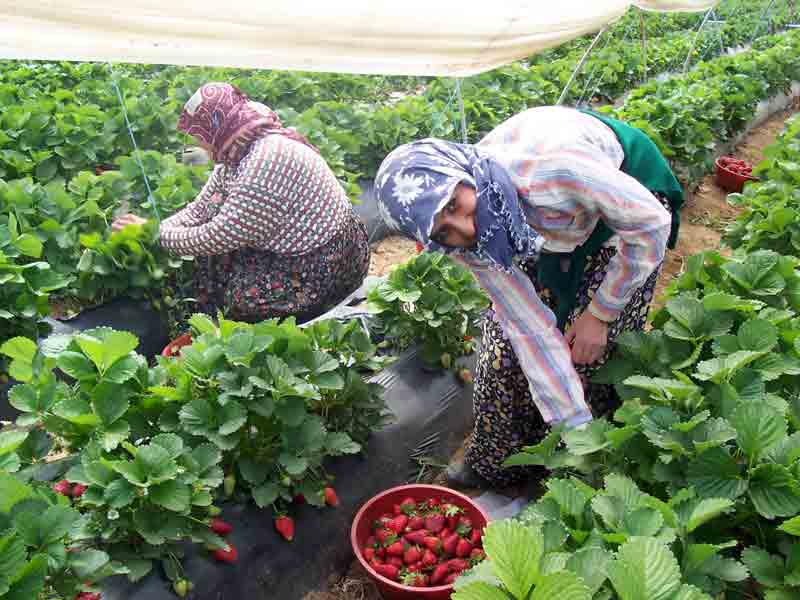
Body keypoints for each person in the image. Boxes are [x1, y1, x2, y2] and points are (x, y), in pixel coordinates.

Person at [374, 106, 683, 488]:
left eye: (453, 205)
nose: (464, 227)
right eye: (442, 231)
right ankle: (497, 461)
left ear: (462, 175)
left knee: (588, 353)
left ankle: (581, 473)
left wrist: (601, 313)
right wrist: (572, 426)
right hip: (535, 223)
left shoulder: (554, 169)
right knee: (500, 357)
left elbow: (650, 225)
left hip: (624, 203)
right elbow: (530, 329)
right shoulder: (475, 240)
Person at [113, 83, 370, 324]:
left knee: (243, 298)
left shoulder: (265, 162)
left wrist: (156, 236)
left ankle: (311, 313)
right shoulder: (239, 144)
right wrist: (152, 230)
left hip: (327, 262)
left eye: (198, 135)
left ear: (215, 127)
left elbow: (217, 235)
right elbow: (202, 208)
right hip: (295, 246)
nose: (196, 144)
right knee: (211, 266)